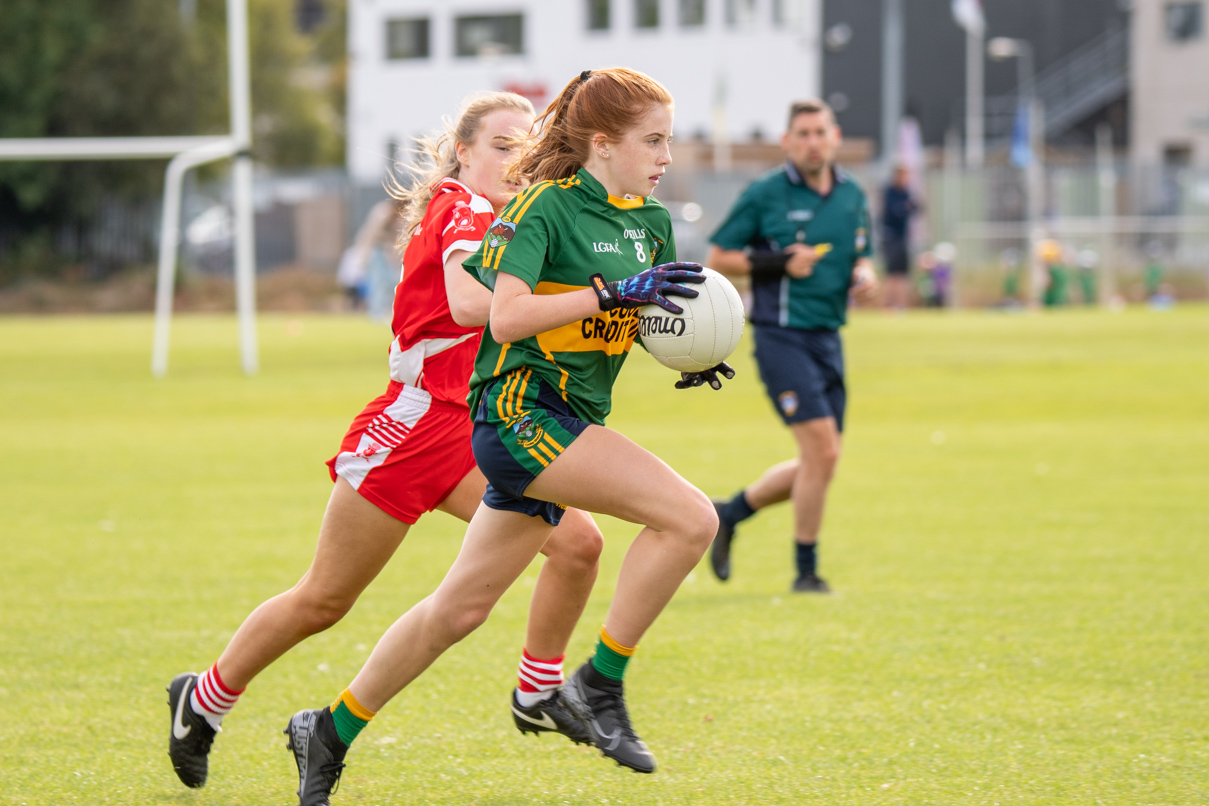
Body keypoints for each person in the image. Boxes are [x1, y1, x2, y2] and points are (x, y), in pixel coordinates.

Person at [282, 67, 733, 805]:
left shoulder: (648, 223)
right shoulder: (543, 209)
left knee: (456, 611)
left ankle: (328, 728)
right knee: (690, 519)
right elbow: (505, 317)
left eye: (668, 141)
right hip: (520, 414)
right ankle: (598, 683)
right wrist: (611, 293)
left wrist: (685, 350)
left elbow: (625, 318)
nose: (665, 157)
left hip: (569, 419)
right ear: (601, 143)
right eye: (652, 141)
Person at [166, 91, 606, 790]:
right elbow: (470, 303)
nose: (512, 161)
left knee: (577, 543)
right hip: (412, 428)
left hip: (482, 428)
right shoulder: (463, 208)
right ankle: (205, 698)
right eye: (499, 145)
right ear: (462, 152)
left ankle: (537, 689)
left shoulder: (515, 223)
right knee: (324, 601)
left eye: (523, 150)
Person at [705, 98, 878, 593]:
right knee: (822, 452)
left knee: (820, 461)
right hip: (780, 336)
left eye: (819, 132)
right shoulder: (766, 193)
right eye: (801, 133)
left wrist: (864, 276)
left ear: (835, 137)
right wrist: (779, 262)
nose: (811, 142)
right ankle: (806, 572)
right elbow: (719, 257)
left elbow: (861, 257)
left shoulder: (851, 196)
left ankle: (729, 513)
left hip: (829, 337)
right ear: (787, 141)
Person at [881, 163, 919, 310]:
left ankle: (901, 306)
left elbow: (916, 207)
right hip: (891, 236)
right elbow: (894, 210)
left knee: (902, 273)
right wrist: (905, 208)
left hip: (903, 237)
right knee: (891, 273)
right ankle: (888, 305)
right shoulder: (889, 191)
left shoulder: (906, 192)